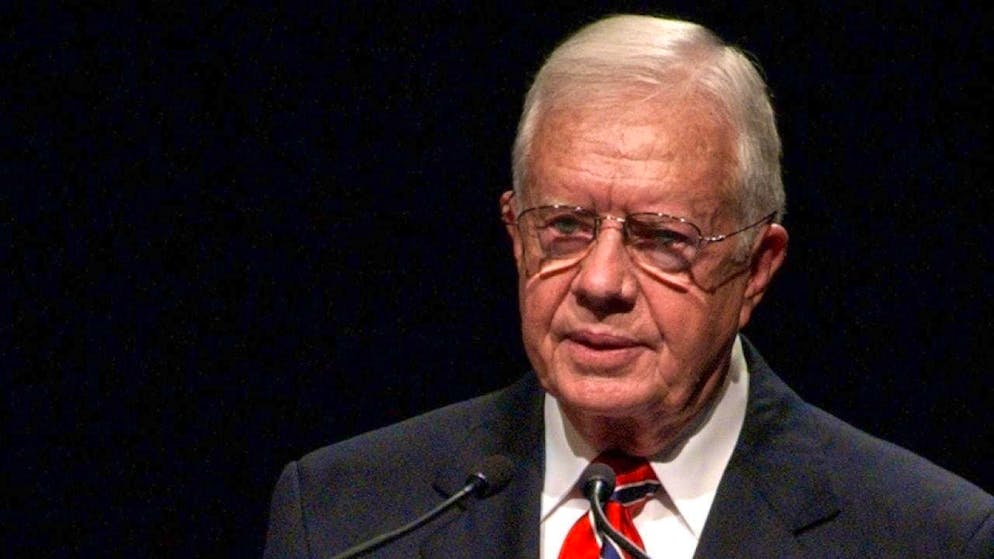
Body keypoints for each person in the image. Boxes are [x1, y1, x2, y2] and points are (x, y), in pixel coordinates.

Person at [264, 14, 994, 558]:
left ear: (757, 268)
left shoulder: (928, 536)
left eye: (663, 239)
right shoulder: (341, 517)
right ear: (516, 234)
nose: (601, 281)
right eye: (566, 227)